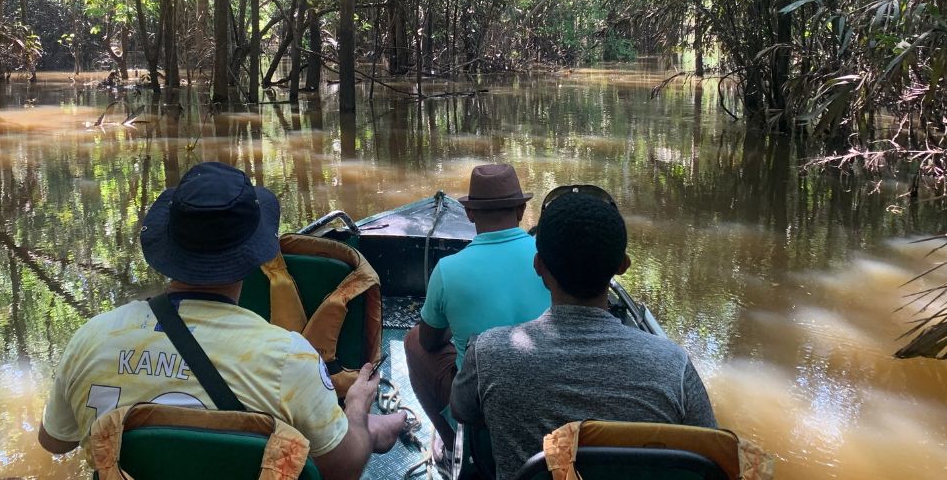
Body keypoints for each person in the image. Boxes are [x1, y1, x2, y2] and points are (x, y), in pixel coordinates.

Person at [37, 161, 405, 480]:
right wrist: (358, 409)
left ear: (165, 244)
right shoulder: (290, 360)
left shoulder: (93, 340)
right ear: (254, 254)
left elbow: (55, 440)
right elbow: (344, 469)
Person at [450, 189, 718, 480]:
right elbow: (712, 456)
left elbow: (462, 411)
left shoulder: (489, 353)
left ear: (539, 266)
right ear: (622, 266)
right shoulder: (674, 365)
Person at [405, 164, 550, 454]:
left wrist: (455, 323)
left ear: (469, 213)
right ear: (521, 210)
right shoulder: (549, 260)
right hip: (545, 398)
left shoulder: (448, 270)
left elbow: (429, 342)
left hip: (481, 408)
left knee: (412, 341)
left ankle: (452, 445)